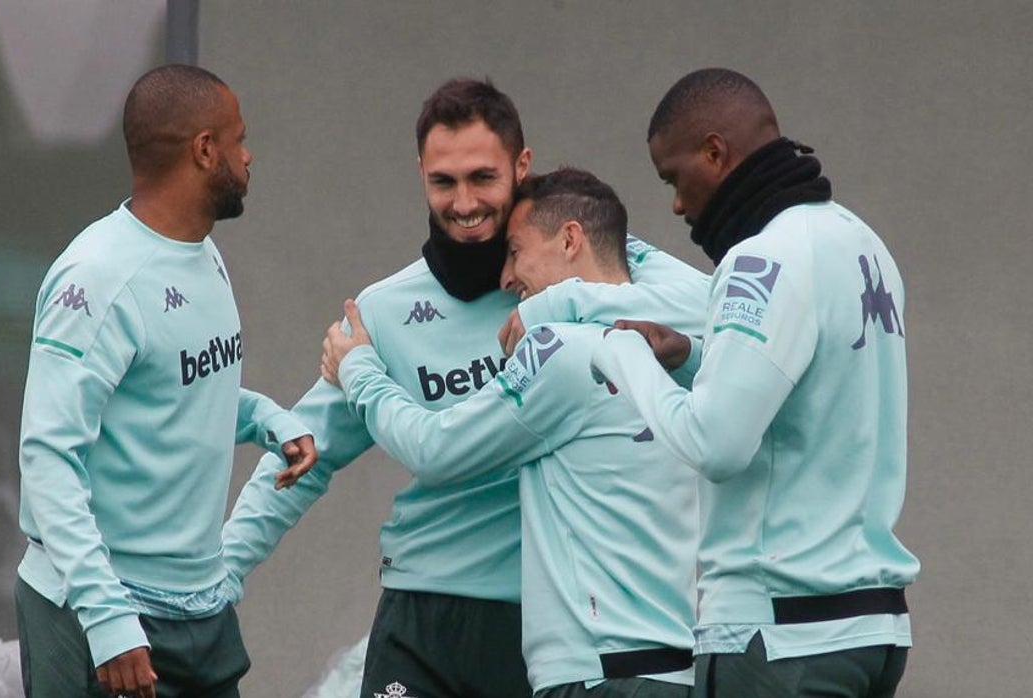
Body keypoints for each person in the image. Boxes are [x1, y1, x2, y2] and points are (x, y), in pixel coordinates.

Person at [222, 79, 710, 698]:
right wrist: (219, 575)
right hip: (423, 609)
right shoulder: (385, 311)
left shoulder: (605, 267)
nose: (465, 202)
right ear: (420, 174)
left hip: (540, 626)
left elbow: (713, 314)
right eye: (443, 182)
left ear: (521, 166)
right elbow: (303, 453)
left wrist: (556, 304)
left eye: (483, 177)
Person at [556, 68, 918, 697]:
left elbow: (717, 445)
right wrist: (694, 358)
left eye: (673, 178)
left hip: (780, 637)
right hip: (870, 632)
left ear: (715, 153)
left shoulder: (762, 258)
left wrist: (615, 352)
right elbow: (807, 401)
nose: (675, 203)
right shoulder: (862, 244)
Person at [319, 167, 703, 697]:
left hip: (599, 677)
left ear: (570, 239)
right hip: (677, 672)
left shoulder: (562, 352)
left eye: (516, 251)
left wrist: (359, 368)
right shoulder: (680, 341)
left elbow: (437, 449)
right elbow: (710, 292)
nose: (504, 279)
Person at [14, 64, 317, 698]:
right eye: (238, 139)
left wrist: (270, 422)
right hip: (105, 616)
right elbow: (47, 458)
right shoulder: (95, 278)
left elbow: (171, 395)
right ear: (205, 150)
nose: (248, 154)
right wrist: (107, 617)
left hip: (197, 611)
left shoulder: (202, 252)